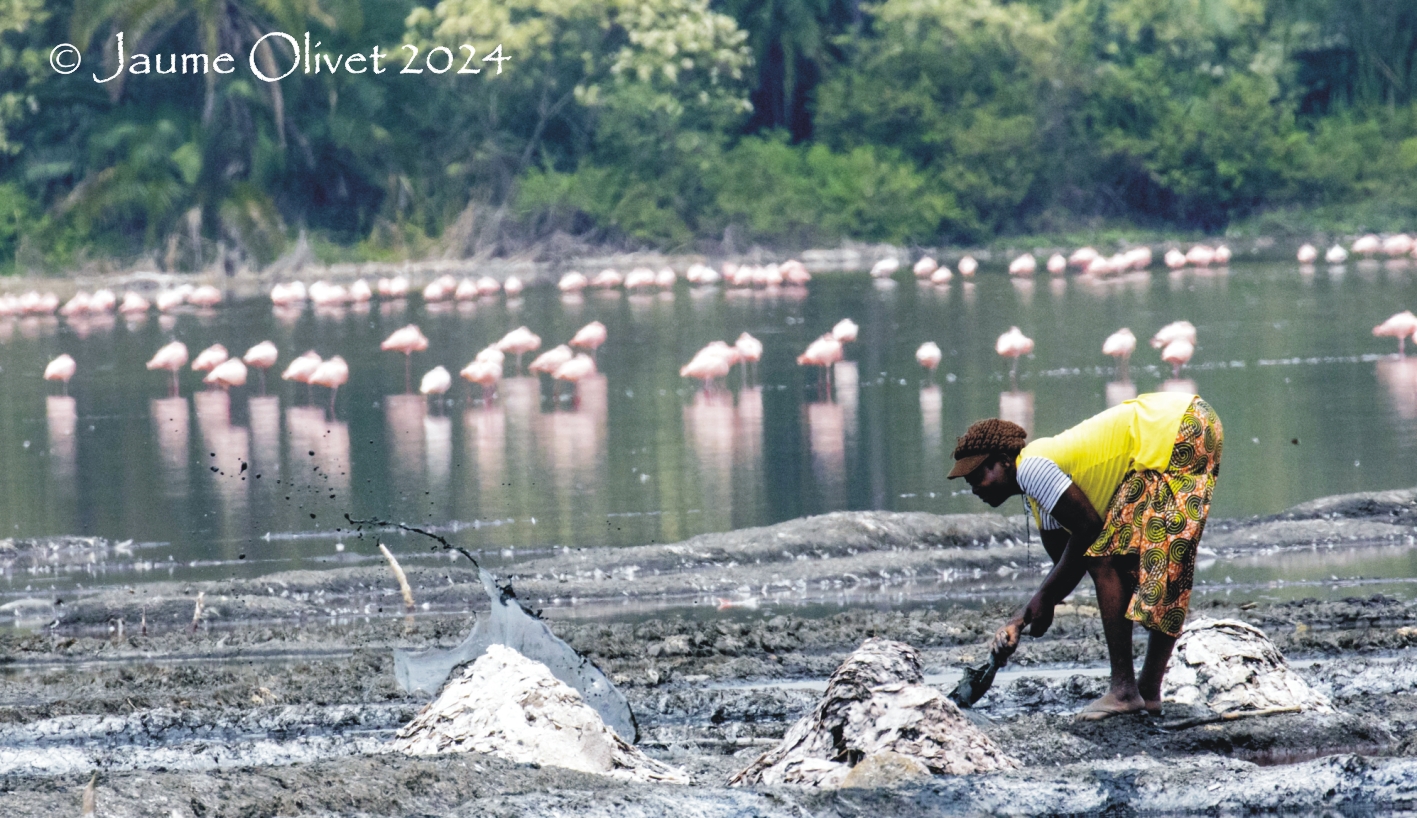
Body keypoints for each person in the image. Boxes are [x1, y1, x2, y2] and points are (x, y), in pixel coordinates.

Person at [948, 391, 1223, 720]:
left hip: (1176, 428)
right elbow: (1066, 565)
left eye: (980, 474)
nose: (975, 487)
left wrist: (1038, 602)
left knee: (1133, 560)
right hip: (1186, 425)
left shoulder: (1032, 468)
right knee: (1137, 563)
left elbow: (1090, 532)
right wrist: (1030, 615)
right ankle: (1146, 693)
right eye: (969, 481)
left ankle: (1125, 690)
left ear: (1005, 461)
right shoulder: (1040, 494)